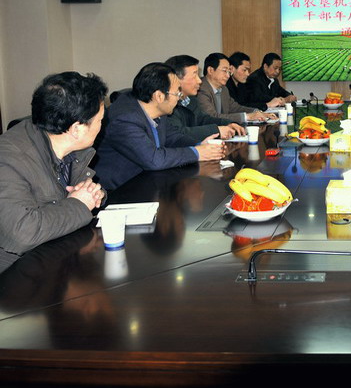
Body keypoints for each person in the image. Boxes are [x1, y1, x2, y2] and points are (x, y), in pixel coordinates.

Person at [0, 72, 107, 269]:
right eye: (100, 120)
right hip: (14, 274)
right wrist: (80, 204)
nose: (102, 125)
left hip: (53, 256)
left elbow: (72, 195)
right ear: (76, 129)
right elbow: (23, 233)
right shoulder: (9, 159)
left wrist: (93, 194)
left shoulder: (64, 144)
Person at [93, 62, 226, 190]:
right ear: (159, 96)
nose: (179, 98)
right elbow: (153, 159)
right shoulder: (124, 119)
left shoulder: (156, 109)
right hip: (120, 191)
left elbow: (173, 137)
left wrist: (200, 145)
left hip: (148, 181)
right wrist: (197, 153)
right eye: (177, 93)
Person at [164, 55, 250, 141]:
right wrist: (217, 130)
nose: (199, 81)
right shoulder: (167, 104)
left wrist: (228, 123)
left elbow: (203, 119)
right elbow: (178, 133)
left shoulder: (191, 100)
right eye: (194, 76)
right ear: (176, 79)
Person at [197, 53, 274, 123]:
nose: (228, 76)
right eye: (224, 71)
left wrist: (256, 112)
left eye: (229, 72)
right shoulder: (200, 89)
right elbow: (212, 117)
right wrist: (247, 117)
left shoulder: (223, 89)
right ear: (210, 70)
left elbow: (235, 108)